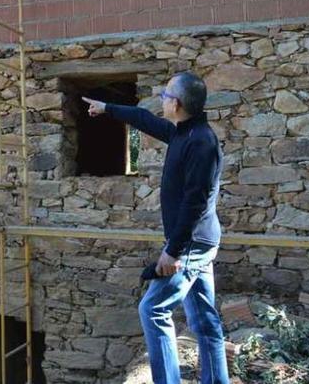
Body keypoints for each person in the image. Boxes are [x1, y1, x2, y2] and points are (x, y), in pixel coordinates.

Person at [82, 72, 229, 384]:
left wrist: (173, 251)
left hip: (192, 244)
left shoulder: (202, 143)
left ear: (175, 104)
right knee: (203, 320)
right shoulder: (183, 132)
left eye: (165, 95)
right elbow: (144, 119)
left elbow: (195, 204)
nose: (161, 99)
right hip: (196, 242)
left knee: (152, 309)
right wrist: (108, 108)